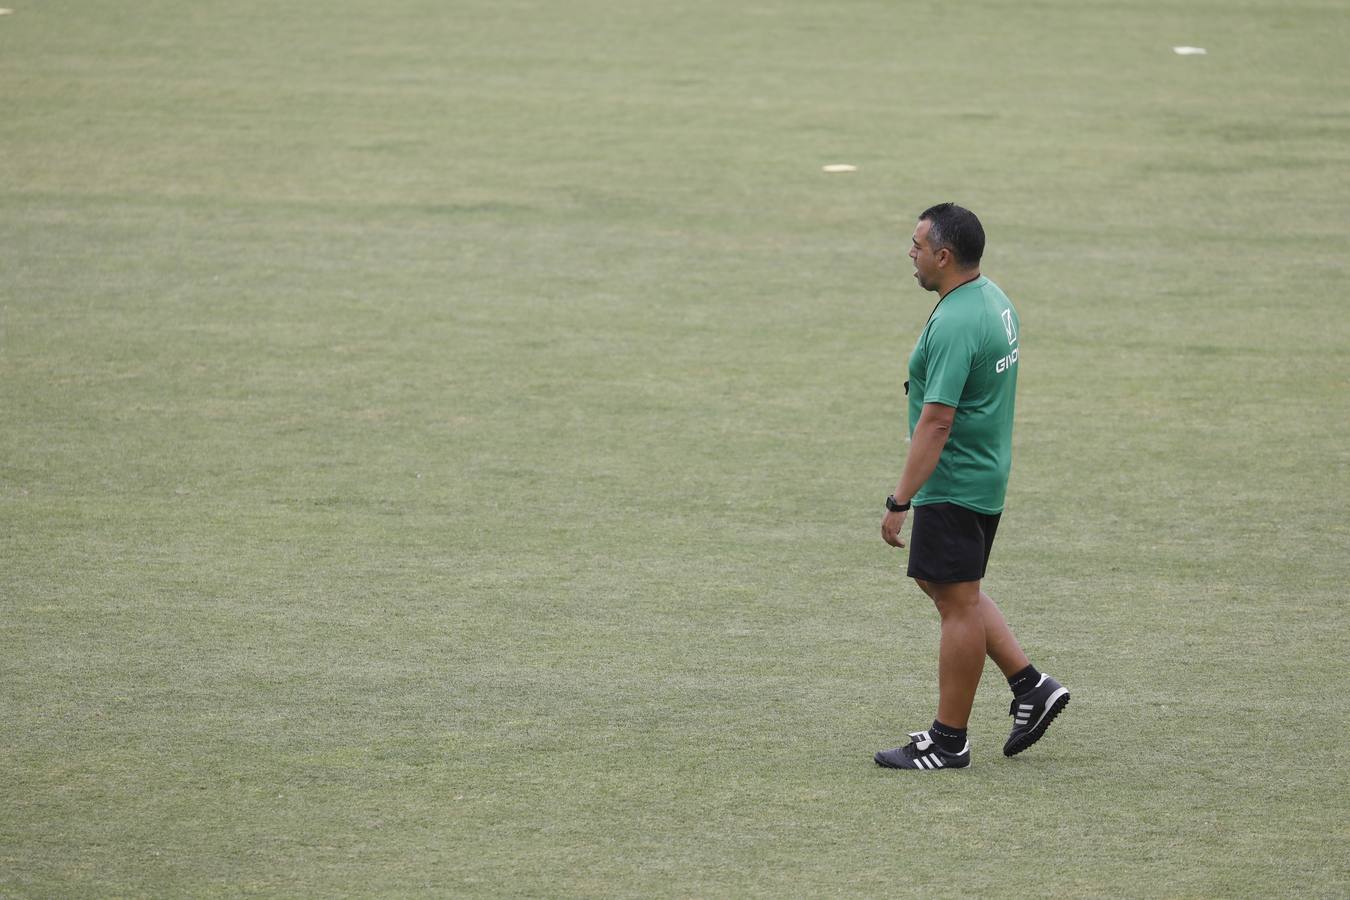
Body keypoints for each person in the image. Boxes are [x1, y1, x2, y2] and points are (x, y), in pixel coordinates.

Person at [873, 203, 1069, 771]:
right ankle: (1030, 685)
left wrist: (899, 501)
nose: (909, 254)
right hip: (983, 470)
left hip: (954, 479)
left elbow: (936, 420)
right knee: (950, 588)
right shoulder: (992, 298)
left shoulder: (958, 321)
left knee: (956, 604)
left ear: (944, 255)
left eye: (916, 245)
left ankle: (949, 738)